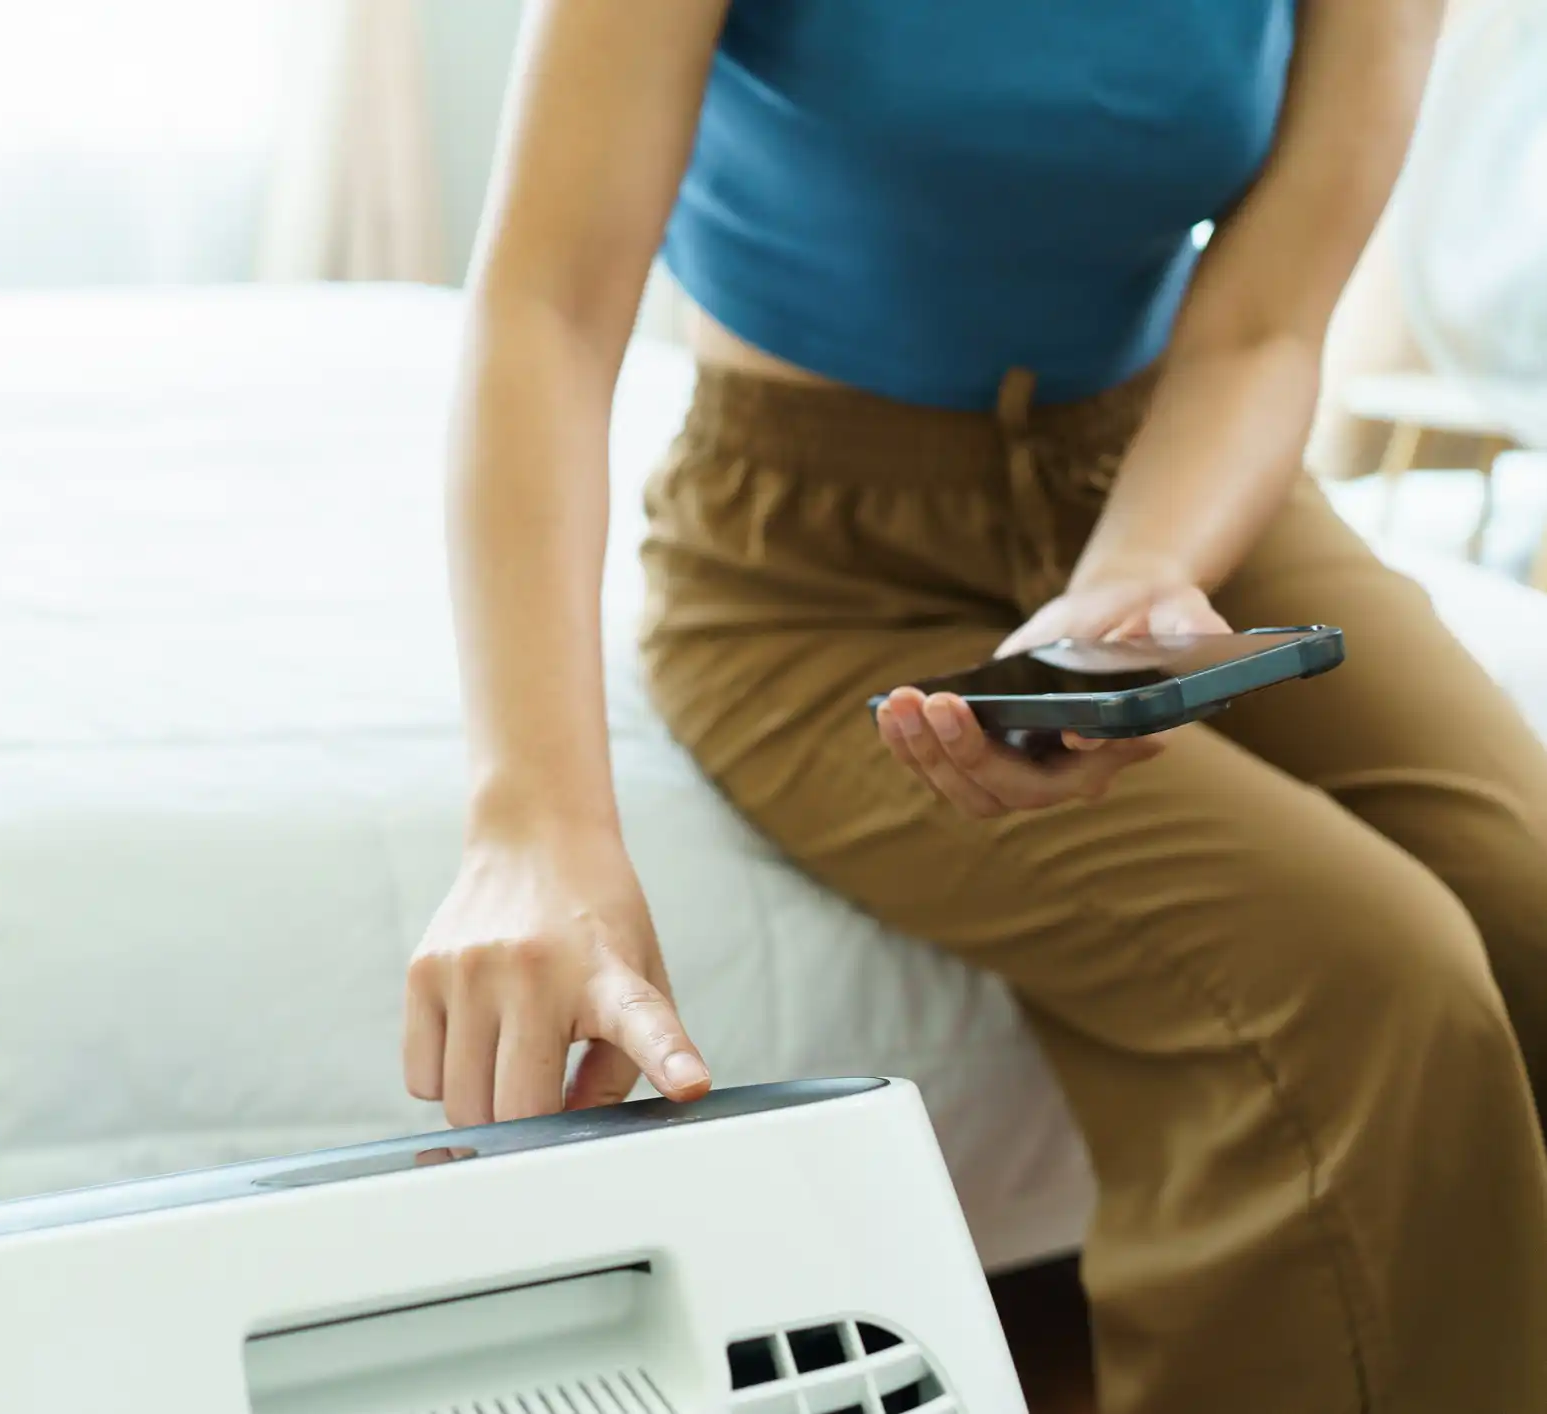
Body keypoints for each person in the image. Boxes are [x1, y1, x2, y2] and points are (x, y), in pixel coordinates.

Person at [404, 1, 1547, 1410]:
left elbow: (1260, 328)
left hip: (1172, 479)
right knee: (1373, 982)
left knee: (1530, 895)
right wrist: (534, 820)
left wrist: (1140, 570)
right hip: (816, 563)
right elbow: (549, 307)